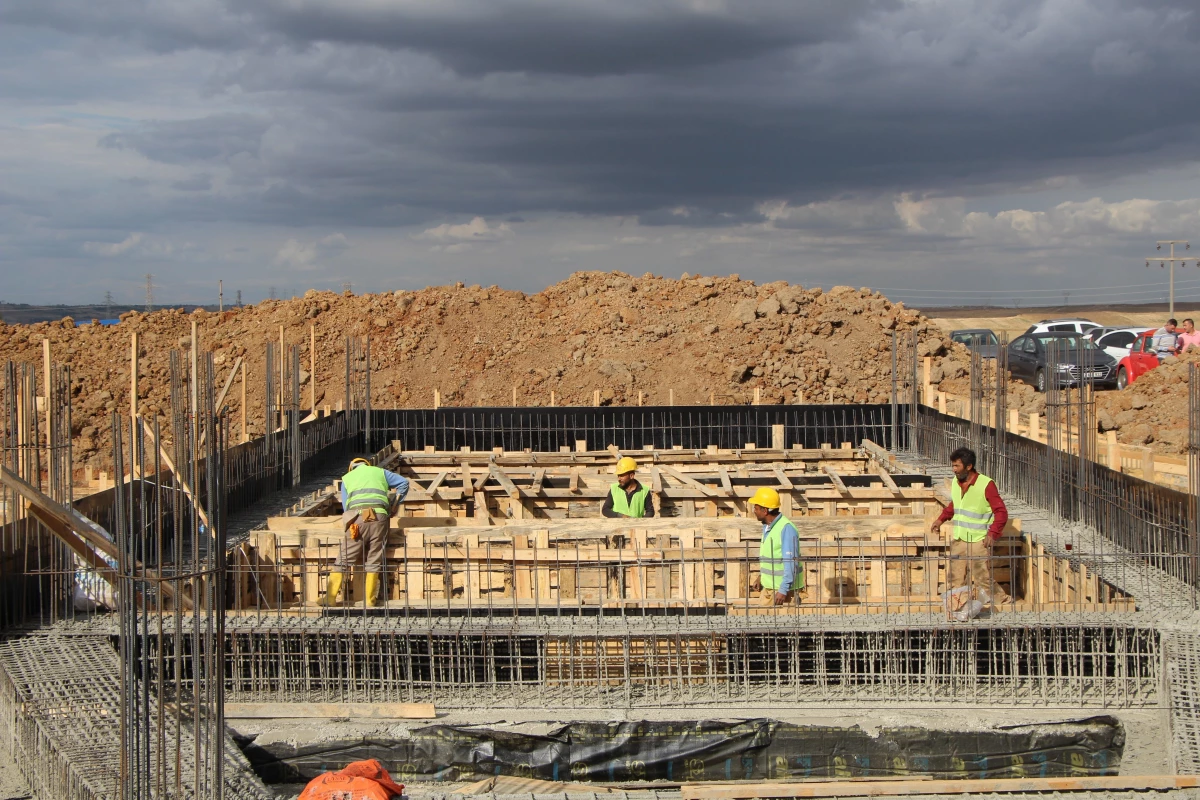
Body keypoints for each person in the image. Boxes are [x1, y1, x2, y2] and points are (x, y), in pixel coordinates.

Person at [318, 457, 409, 607]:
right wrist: (395, 506)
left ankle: (330, 598)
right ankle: (370, 600)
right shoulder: (380, 472)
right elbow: (404, 483)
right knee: (374, 558)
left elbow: (346, 506)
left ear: (351, 468)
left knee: (344, 559)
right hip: (379, 517)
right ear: (367, 465)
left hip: (357, 518)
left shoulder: (347, 479)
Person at [931, 447, 1010, 606]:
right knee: (956, 576)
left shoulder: (986, 484)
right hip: (960, 538)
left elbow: (1001, 512)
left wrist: (992, 533)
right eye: (953, 466)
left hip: (978, 539)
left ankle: (1002, 603)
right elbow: (956, 504)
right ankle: (958, 606)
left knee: (982, 577)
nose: (954, 470)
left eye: (957, 466)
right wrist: (941, 519)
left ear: (968, 466)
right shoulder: (956, 482)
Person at [748, 487, 804, 605]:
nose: (754, 511)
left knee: (784, 622)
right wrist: (761, 577)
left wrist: (783, 589)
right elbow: (773, 559)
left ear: (765, 511)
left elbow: (790, 562)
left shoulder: (786, 528)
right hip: (769, 589)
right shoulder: (768, 527)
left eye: (756, 508)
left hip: (784, 593)